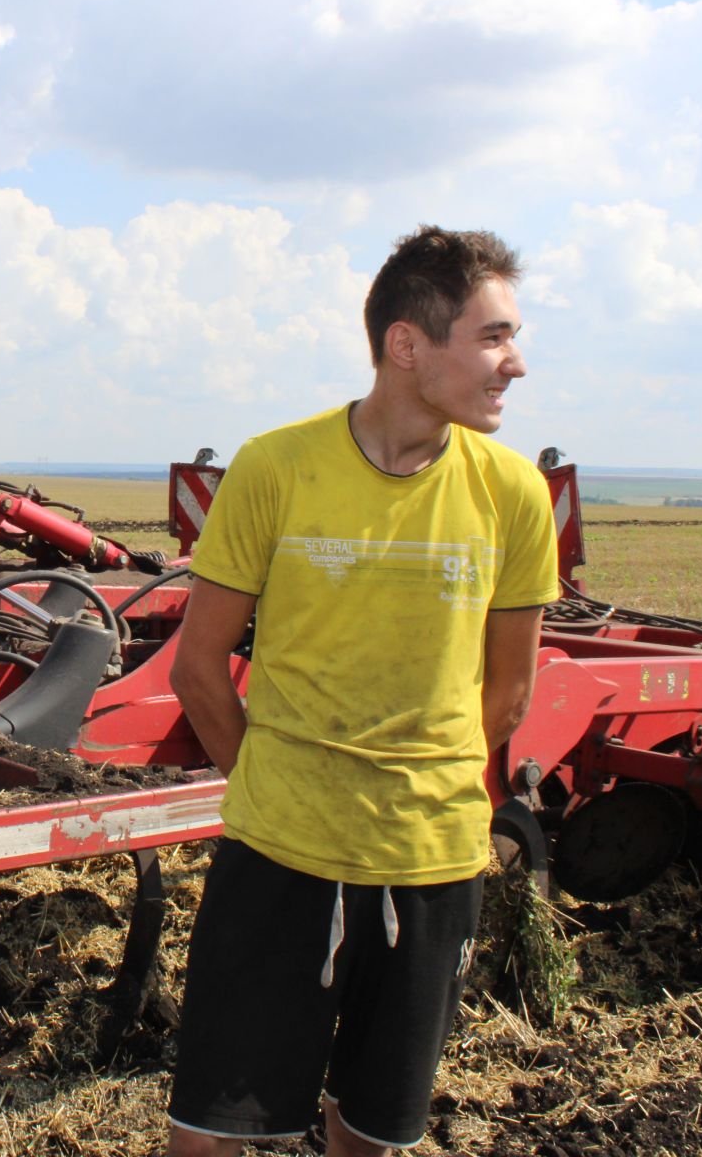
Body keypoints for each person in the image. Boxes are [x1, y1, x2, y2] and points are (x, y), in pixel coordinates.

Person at [164, 225, 558, 1157]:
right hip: (278, 858)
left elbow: (508, 694)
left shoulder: (513, 492)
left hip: (431, 862)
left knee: (373, 1137)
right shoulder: (277, 467)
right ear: (407, 344)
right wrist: (276, 784)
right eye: (494, 337)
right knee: (209, 1138)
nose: (517, 364)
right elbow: (197, 666)